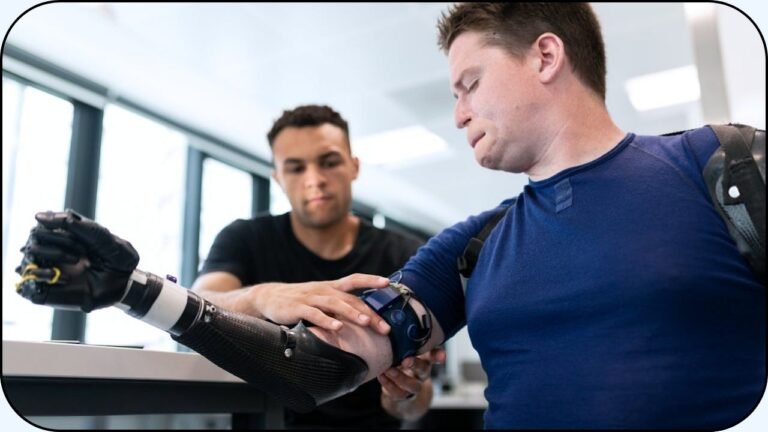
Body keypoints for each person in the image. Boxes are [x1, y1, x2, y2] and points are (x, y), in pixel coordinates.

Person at [15, 3, 765, 430]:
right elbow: (319, 369)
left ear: (545, 56)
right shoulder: (470, 246)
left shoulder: (725, 166)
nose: (458, 109)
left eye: (470, 81)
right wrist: (135, 291)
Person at [189, 104, 439, 428]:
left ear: (354, 167)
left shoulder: (406, 254)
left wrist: (403, 393)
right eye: (295, 168)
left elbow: (416, 404)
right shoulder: (245, 239)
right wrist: (263, 297)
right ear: (278, 178)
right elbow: (200, 302)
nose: (314, 180)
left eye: (329, 162)